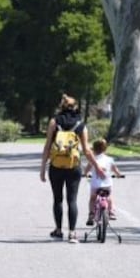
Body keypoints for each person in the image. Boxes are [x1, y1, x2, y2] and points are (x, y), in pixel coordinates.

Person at [40, 94, 101, 244]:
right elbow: (87, 150)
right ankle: (73, 233)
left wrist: (42, 168)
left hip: (56, 166)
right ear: (76, 107)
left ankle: (59, 230)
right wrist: (97, 166)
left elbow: (48, 146)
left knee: (58, 199)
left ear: (61, 107)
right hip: (73, 166)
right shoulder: (81, 125)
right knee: (72, 200)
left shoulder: (54, 122)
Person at [84, 138, 123, 225]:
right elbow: (115, 170)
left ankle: (91, 214)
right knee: (109, 197)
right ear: (105, 149)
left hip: (95, 185)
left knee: (93, 199)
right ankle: (111, 212)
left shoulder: (92, 160)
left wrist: (85, 174)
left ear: (93, 149)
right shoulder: (109, 160)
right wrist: (119, 175)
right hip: (107, 185)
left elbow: (86, 171)